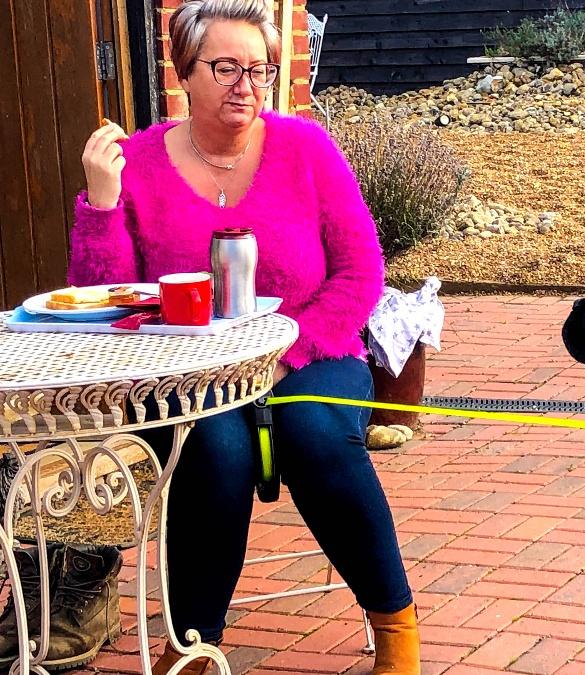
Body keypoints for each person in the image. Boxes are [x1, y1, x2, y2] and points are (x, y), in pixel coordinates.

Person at [68, 1, 419, 673]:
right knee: (215, 448)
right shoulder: (137, 163)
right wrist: (103, 202)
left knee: (316, 430)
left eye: (258, 70)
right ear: (184, 72)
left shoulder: (305, 148)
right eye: (225, 67)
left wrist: (284, 358)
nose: (246, 87)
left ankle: (395, 621)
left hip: (311, 350)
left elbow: (359, 271)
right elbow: (102, 299)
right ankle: (194, 645)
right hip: (188, 375)